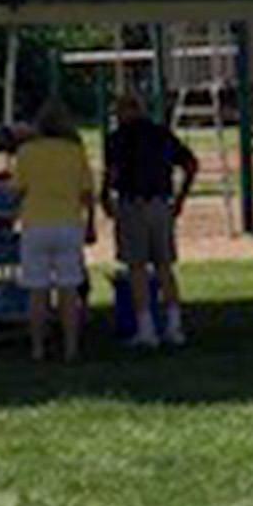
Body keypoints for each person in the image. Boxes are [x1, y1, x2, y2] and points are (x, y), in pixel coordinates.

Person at [102, 91, 199, 349]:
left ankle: (146, 328)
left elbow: (112, 174)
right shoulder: (162, 134)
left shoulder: (117, 138)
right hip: (161, 203)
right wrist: (180, 198)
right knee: (165, 266)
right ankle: (174, 326)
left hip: (132, 203)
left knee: (137, 268)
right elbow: (190, 164)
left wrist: (105, 198)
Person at [10, 98, 96, 362]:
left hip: (35, 224)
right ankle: (71, 348)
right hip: (68, 223)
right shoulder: (74, 152)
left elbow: (17, 190)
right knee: (69, 290)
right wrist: (91, 223)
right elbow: (87, 193)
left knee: (37, 290)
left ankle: (38, 348)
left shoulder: (26, 153)